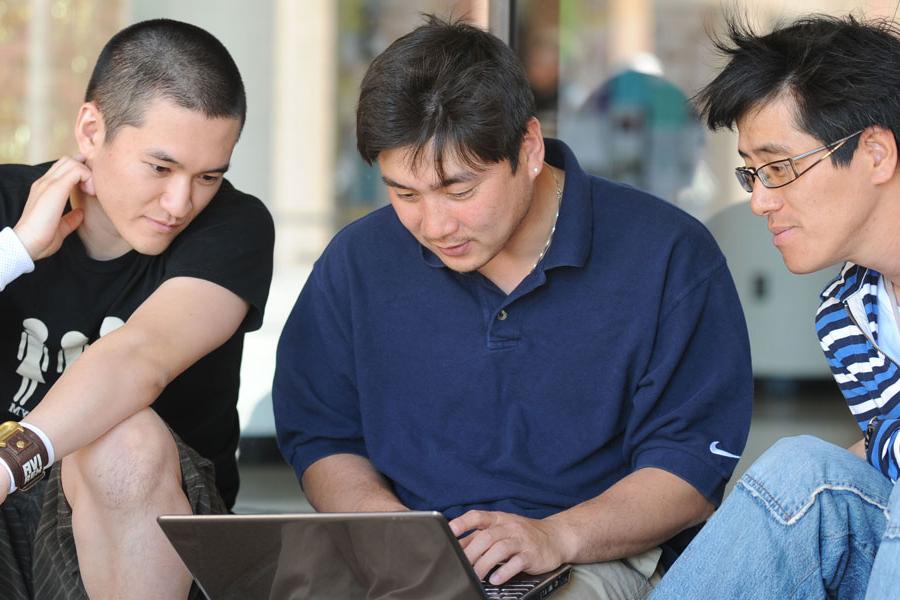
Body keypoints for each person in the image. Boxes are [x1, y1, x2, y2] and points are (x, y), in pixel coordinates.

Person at [273, 15, 751, 599]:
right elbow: (323, 437)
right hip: (400, 561)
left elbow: (690, 469)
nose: (434, 224)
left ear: (527, 147)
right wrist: (393, 533)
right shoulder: (357, 261)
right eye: (404, 194)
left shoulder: (668, 255)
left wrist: (556, 536)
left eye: (459, 189)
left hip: (589, 556)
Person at [0, 19, 274, 600]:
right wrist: (16, 251)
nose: (180, 203)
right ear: (91, 129)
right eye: (160, 167)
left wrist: (7, 463)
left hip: (150, 529)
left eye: (208, 176)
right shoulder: (5, 203)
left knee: (119, 438)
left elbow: (139, 358)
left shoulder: (234, 226)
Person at [649, 14, 900, 600]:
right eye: (752, 172)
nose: (760, 200)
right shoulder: (847, 313)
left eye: (780, 167)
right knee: (798, 470)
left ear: (876, 153)